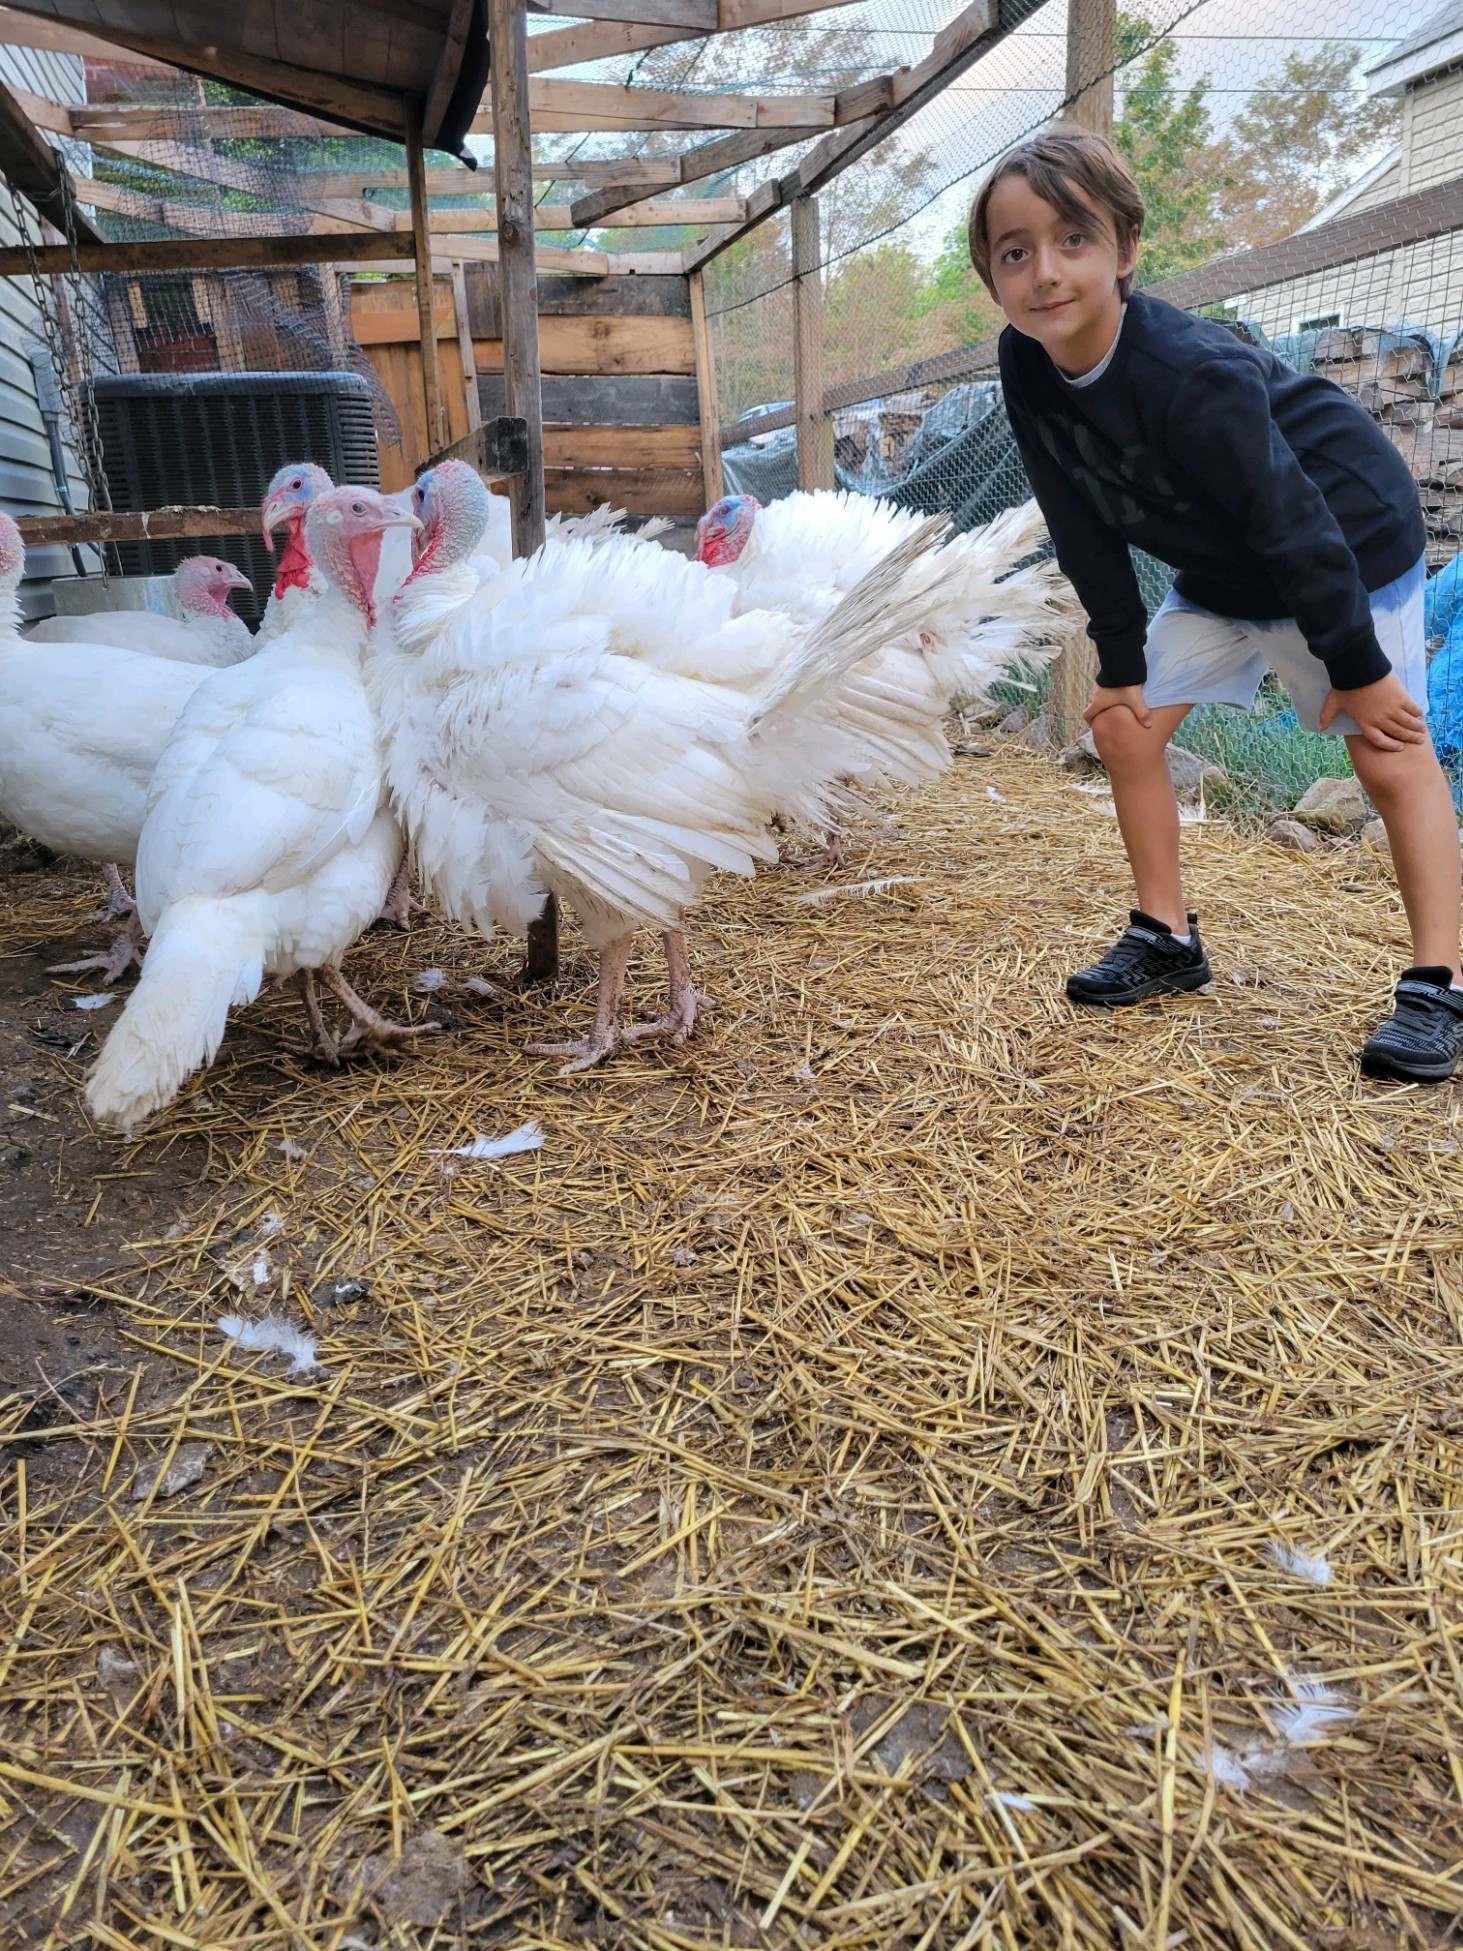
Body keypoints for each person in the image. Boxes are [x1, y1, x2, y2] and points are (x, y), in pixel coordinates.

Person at [969, 125, 1463, 1083]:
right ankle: (1165, 936)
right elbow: (1076, 517)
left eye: (1073, 238)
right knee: (1125, 729)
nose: (1044, 271)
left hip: (1346, 538)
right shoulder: (1025, 363)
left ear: (1124, 248)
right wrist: (1118, 666)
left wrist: (1357, 676)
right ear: (992, 276)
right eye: (1014, 251)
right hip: (1225, 564)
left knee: (1387, 749)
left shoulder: (1190, 371)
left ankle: (1437, 983)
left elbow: (1296, 527)